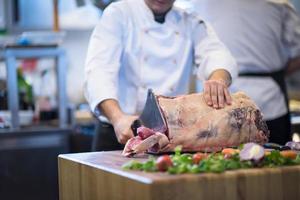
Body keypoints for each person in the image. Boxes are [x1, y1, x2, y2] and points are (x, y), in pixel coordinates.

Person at [84, 0, 237, 151]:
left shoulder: (190, 20)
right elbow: (99, 70)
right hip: (120, 131)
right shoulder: (119, 14)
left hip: (169, 137)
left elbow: (216, 54)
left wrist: (218, 79)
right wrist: (117, 118)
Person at [194, 0, 300, 145]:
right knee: (274, 160)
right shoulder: (280, 3)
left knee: (223, 162)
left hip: (222, 103)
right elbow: (297, 54)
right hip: (265, 95)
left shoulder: (202, 3)